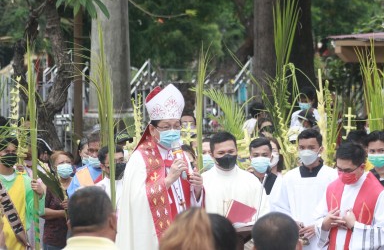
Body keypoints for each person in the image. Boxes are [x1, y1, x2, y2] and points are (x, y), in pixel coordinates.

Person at [117, 84, 204, 249]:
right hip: (156, 236)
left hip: (184, 230)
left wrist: (198, 189)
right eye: (165, 127)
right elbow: (135, 201)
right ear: (152, 129)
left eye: (176, 126)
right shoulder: (140, 158)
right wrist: (168, 180)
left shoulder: (182, 155)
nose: (172, 130)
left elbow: (189, 197)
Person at [315, 142, 384, 249]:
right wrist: (325, 223)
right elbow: (318, 218)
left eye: (348, 171)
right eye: (339, 169)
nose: (342, 175)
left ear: (362, 167)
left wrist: (354, 226)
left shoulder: (378, 192)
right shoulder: (332, 187)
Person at [270, 129, 337, 249]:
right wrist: (291, 222)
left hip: (325, 236)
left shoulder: (332, 176)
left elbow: (337, 208)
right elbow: (279, 206)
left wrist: (318, 226)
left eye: (311, 148)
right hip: (296, 236)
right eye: (302, 147)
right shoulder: (289, 177)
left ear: (320, 149)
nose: (306, 151)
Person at [202, 131, 269, 218]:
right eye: (221, 153)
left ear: (237, 151)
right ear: (212, 155)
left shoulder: (250, 180)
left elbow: (263, 211)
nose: (227, 156)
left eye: (231, 151)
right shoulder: (204, 181)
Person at [0, 136, 45, 250]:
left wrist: (40, 196)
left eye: (13, 151)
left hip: (18, 242)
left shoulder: (26, 181)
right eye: (6, 151)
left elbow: (36, 212)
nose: (10, 154)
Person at [42, 151, 72, 250]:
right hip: (53, 239)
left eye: (68, 162)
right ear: (54, 167)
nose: (65, 165)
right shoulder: (49, 185)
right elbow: (41, 211)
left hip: (75, 239)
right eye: (61, 163)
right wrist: (64, 213)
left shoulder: (77, 182)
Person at [67, 131, 102, 197]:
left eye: (98, 151)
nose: (94, 155)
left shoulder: (114, 171)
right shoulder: (80, 174)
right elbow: (73, 199)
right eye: (91, 150)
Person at [95, 146, 125, 214]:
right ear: (102, 167)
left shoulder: (132, 184)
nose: (118, 164)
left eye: (121, 160)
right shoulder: (99, 190)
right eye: (113, 162)